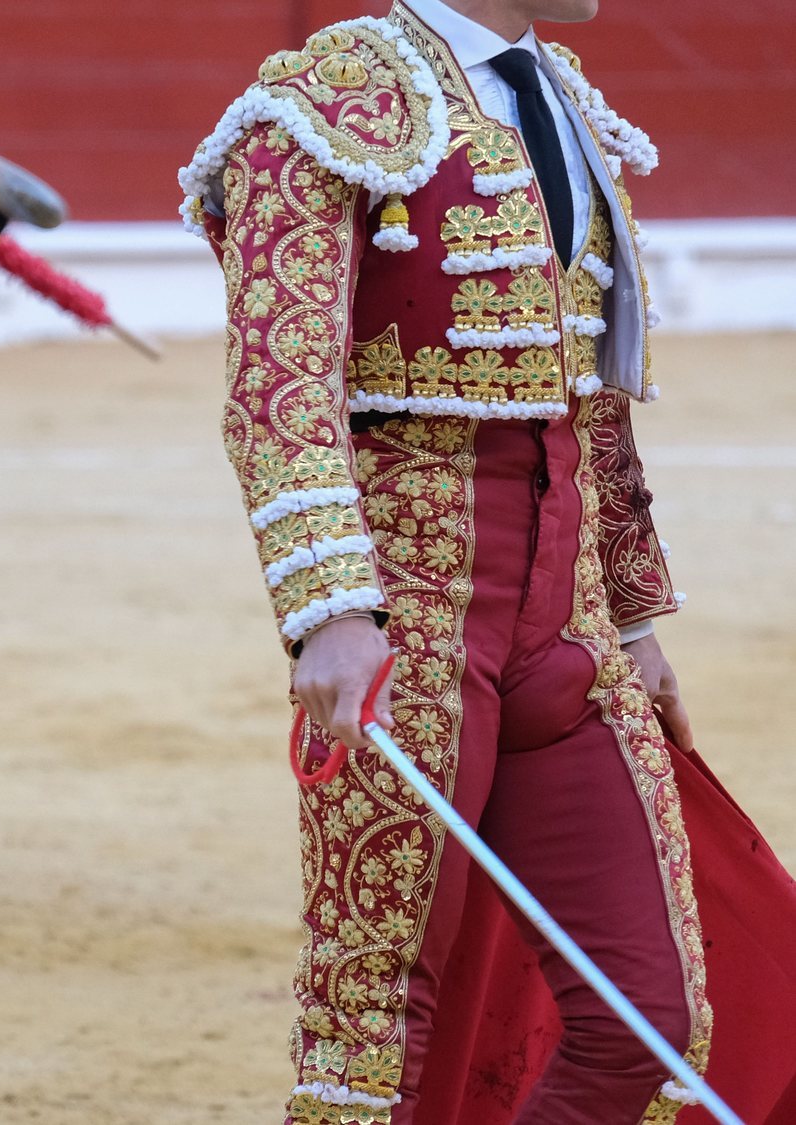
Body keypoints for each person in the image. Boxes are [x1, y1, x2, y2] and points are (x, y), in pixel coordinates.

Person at [180, 1, 712, 1121]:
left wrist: (634, 620)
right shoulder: (323, 99)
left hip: (567, 619)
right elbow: (280, 388)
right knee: (372, 1034)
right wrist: (329, 607)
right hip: (411, 612)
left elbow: (591, 395)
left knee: (651, 1031)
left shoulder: (560, 93)